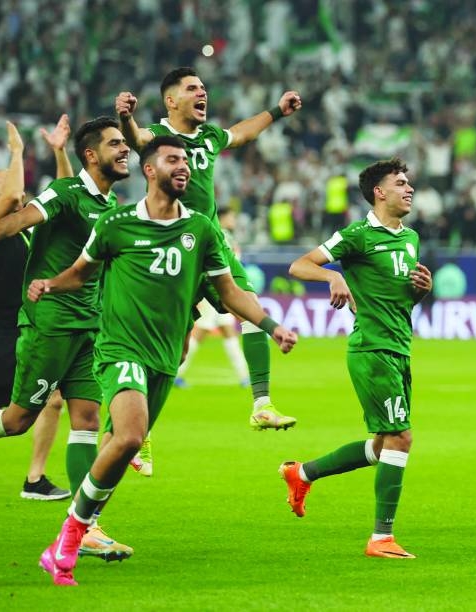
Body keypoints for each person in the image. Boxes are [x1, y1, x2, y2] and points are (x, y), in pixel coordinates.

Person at [33, 135, 298, 586]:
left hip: (163, 357)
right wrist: (50, 285)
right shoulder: (117, 224)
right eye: (173, 159)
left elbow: (229, 292)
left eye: (186, 161)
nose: (184, 167)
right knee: (132, 434)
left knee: (122, 447)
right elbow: (81, 272)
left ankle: (71, 535)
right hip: (119, 348)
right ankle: (72, 535)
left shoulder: (202, 229)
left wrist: (272, 326)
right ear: (149, 170)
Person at [114, 66, 301, 432]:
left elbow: (243, 133)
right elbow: (137, 139)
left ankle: (262, 403)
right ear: (171, 101)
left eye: (204, 87)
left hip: (211, 243)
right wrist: (126, 117)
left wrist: (277, 111)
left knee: (251, 308)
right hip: (171, 246)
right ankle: (136, 431)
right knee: (176, 350)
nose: (203, 93)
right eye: (192, 88)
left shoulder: (211, 136)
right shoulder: (160, 137)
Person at [0, 117, 134, 559]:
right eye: (115, 144)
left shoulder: (106, 205)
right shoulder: (67, 194)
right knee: (17, 421)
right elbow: (17, 221)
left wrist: (59, 151)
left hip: (89, 326)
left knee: (88, 421)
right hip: (50, 322)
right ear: (93, 155)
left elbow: (78, 199)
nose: (125, 149)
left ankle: (85, 527)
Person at [283, 157, 432, 559]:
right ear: (379, 192)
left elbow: (403, 300)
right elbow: (300, 264)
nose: (409, 188)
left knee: (385, 445)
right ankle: (381, 538)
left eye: (409, 181)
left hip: (399, 346)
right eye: (401, 182)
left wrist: (421, 289)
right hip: (372, 349)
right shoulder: (358, 235)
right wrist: (333, 275)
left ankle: (302, 473)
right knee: (402, 437)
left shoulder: (411, 238)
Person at [0, 117, 74, 501]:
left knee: (50, 400)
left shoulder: (24, 230)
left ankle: (35, 479)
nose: (7, 193)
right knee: (11, 418)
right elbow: (9, 199)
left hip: (20, 332)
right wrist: (17, 152)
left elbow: (68, 198)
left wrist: (59, 152)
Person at [174, 207, 251, 390]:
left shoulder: (225, 235)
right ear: (222, 218)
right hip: (214, 291)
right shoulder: (218, 234)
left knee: (228, 331)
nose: (233, 220)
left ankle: (245, 376)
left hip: (222, 292)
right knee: (200, 332)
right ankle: (176, 373)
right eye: (231, 216)